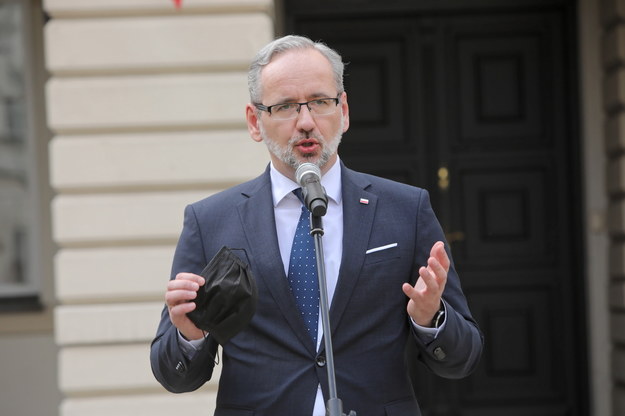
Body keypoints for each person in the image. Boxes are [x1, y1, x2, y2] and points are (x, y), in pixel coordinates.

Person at [150, 34, 483, 416]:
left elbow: (462, 358)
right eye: (287, 106)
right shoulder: (210, 221)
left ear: (344, 111)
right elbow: (175, 377)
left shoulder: (406, 210)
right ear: (255, 121)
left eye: (320, 102)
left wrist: (431, 318)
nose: (306, 122)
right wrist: (190, 332)